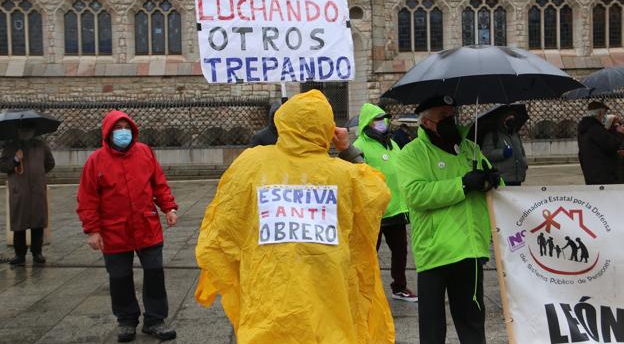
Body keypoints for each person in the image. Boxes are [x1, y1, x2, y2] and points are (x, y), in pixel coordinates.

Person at [195, 90, 395, 344]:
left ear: (283, 122)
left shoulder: (251, 164)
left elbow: (224, 224)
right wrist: (348, 150)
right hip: (329, 302)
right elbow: (377, 194)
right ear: (328, 128)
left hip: (269, 301)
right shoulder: (345, 175)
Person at [396, 95, 501, 344]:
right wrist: (462, 184)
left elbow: (491, 186)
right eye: (443, 116)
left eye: (452, 114)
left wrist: (493, 180)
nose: (450, 120)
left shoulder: (470, 148)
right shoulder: (411, 154)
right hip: (435, 251)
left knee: (473, 323)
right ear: (426, 122)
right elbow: (416, 194)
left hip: (470, 249)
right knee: (432, 329)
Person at [77, 110, 178, 343]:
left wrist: (169, 208)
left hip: (146, 224)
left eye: (126, 127)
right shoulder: (95, 161)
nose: (122, 132)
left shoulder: (145, 153)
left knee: (154, 273)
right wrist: (92, 230)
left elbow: (159, 184)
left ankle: (155, 320)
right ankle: (126, 321)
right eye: (117, 128)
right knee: (120, 277)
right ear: (108, 133)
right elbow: (87, 198)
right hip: (114, 230)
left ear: (132, 130)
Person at [354, 103, 417, 302]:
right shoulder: (359, 146)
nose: (382, 123)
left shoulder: (392, 143)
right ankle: (366, 288)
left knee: (400, 251)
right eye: (377, 119)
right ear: (367, 122)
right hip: (374, 210)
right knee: (368, 252)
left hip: (396, 207)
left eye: (383, 118)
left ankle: (399, 286)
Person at [0, 121, 55, 266]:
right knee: (20, 223)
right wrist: (16, 160)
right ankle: (20, 254)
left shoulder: (41, 146)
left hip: (37, 189)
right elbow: (3, 166)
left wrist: (39, 175)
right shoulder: (11, 146)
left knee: (38, 222)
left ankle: (37, 252)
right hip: (20, 190)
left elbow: (50, 163)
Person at [577, 101, 624, 185]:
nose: (605, 116)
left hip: (592, 174)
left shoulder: (585, 128)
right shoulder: (595, 128)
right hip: (604, 175)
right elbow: (612, 146)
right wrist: (619, 133)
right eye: (605, 113)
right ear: (600, 112)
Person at [481, 109, 528, 186]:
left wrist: (524, 163)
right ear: (502, 119)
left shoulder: (515, 135)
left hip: (518, 178)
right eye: (508, 117)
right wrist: (502, 153)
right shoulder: (492, 135)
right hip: (503, 179)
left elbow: (522, 152)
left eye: (513, 118)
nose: (511, 120)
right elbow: (486, 154)